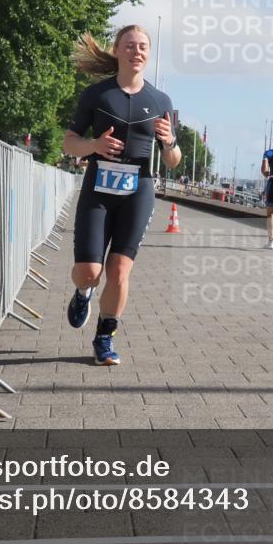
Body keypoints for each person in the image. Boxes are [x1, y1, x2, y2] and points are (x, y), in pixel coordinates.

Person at [62, 26, 182, 365]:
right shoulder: (97, 95)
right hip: (99, 188)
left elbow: (173, 161)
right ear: (117, 51)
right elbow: (69, 142)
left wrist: (170, 141)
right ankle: (84, 293)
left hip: (138, 191)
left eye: (143, 46)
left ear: (149, 53)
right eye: (130, 45)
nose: (137, 51)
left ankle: (104, 337)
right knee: (88, 270)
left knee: (118, 271)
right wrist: (94, 146)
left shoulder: (161, 102)